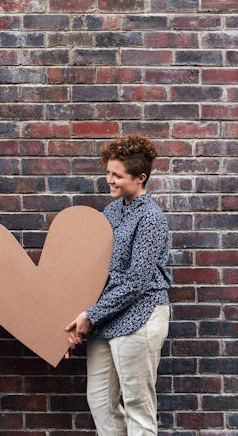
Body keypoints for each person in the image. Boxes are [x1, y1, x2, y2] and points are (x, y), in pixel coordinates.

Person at [66, 134, 172, 436]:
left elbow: (136, 282)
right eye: (108, 172)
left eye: (117, 175)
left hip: (140, 317)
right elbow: (94, 271)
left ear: (140, 178)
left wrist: (91, 315)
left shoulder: (151, 219)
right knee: (100, 400)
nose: (108, 180)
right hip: (105, 318)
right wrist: (75, 320)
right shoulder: (111, 211)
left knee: (138, 404)